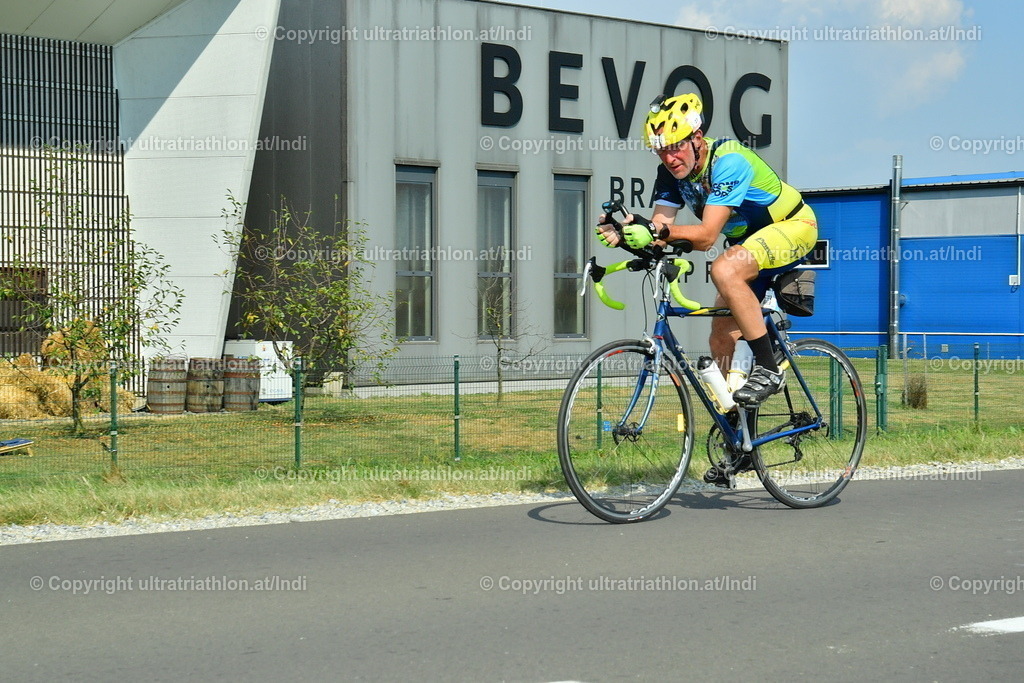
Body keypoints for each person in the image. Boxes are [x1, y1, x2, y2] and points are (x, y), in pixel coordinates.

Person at [595, 93, 817, 482]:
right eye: (661, 151)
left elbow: (705, 235)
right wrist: (631, 235)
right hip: (749, 245)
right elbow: (659, 231)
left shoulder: (728, 161)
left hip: (794, 228)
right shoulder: (671, 174)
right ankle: (742, 434)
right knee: (719, 334)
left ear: (698, 137)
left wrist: (655, 230)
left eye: (676, 146)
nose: (669, 158)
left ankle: (768, 368)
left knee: (724, 268)